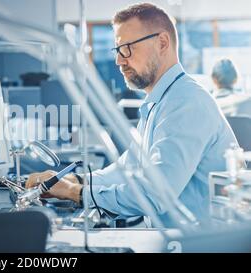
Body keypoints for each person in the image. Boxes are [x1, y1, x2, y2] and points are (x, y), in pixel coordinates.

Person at [26, 3, 238, 227]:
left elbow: (155, 195)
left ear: (162, 43)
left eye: (126, 47)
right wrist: (73, 180)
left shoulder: (186, 103)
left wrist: (76, 192)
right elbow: (126, 169)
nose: (119, 60)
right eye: (117, 50)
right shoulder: (161, 101)